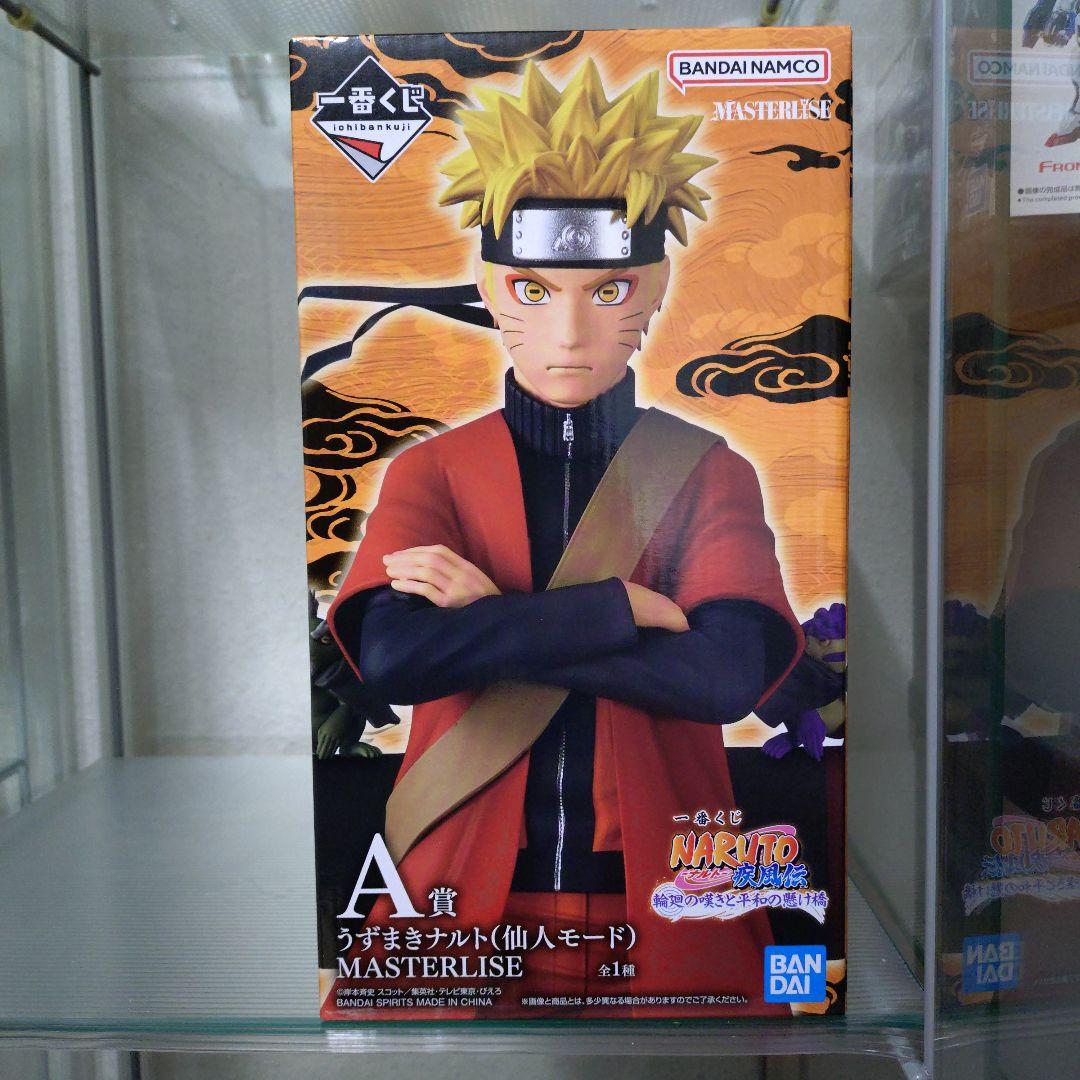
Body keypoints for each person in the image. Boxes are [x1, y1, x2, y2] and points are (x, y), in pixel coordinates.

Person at [327, 58, 804, 1017]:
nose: (573, 331)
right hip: (453, 891)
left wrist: (495, 619)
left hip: (675, 897)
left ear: (656, 286)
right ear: (490, 286)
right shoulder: (433, 471)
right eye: (535, 290)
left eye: (611, 289)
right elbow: (393, 658)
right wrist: (618, 610)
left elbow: (724, 677)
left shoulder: (706, 469)